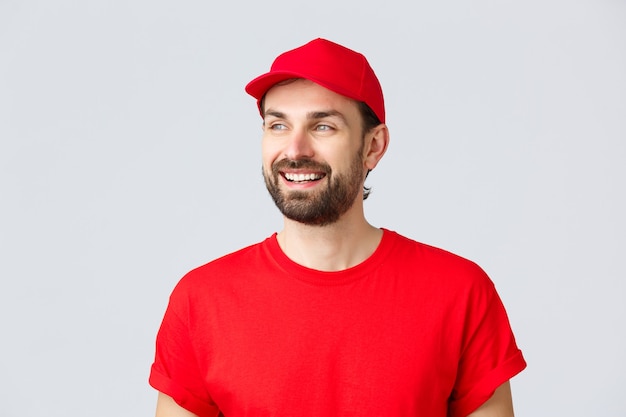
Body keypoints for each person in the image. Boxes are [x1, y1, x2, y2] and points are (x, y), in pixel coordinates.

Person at [149, 38, 526, 417]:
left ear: (373, 147)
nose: (295, 149)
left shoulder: (460, 293)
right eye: (278, 125)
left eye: (323, 126)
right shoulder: (200, 302)